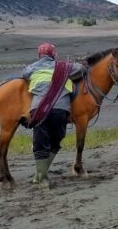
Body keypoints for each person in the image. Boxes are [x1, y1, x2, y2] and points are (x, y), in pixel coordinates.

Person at [23, 43, 83, 188]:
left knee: (40, 143)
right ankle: (40, 175)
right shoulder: (63, 66)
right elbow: (81, 69)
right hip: (60, 109)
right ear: (53, 55)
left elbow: (24, 74)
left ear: (39, 55)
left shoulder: (32, 67)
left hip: (39, 109)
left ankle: (42, 178)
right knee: (56, 141)